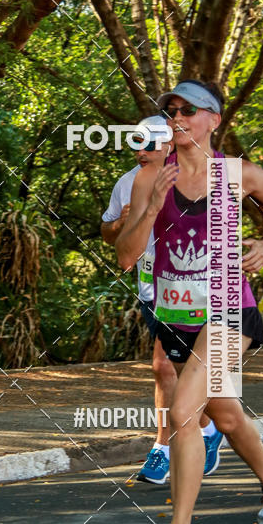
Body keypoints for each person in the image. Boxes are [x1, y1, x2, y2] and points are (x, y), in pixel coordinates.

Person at [116, 79, 263, 524]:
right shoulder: (150, 176)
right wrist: (150, 208)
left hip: (228, 311)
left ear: (213, 120)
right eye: (170, 110)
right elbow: (125, 256)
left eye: (188, 110)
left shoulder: (238, 174)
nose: (176, 117)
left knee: (181, 415)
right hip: (176, 316)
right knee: (227, 416)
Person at [102, 115, 223, 484]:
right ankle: (209, 426)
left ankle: (164, 447)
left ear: (169, 144)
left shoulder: (200, 177)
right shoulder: (127, 183)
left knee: (164, 367)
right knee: (176, 370)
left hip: (196, 289)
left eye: (149, 143)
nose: (141, 151)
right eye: (136, 143)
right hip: (151, 290)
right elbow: (107, 234)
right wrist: (120, 225)